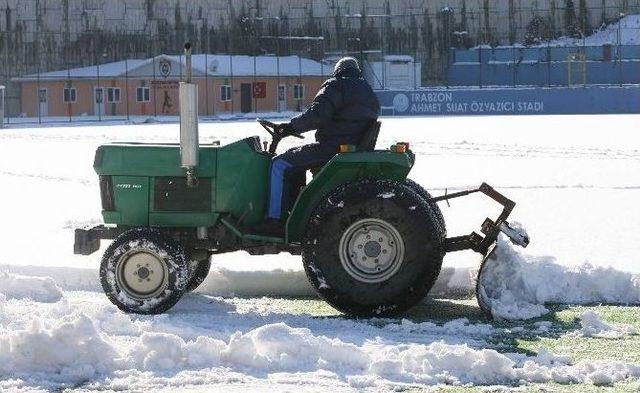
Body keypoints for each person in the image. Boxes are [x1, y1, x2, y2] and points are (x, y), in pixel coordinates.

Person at [258, 57, 380, 235]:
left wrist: (290, 127)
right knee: (294, 164)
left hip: (331, 148)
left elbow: (317, 115)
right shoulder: (368, 92)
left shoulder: (336, 86)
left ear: (338, 71)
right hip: (349, 147)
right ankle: (293, 209)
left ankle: (274, 221)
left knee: (279, 164)